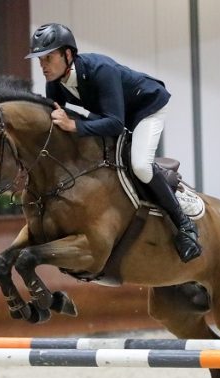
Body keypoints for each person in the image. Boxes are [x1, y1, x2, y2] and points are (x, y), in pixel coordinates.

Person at [25, 23, 202, 263]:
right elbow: (56, 126)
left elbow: (115, 124)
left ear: (68, 55)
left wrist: (75, 126)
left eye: (48, 58)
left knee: (140, 165)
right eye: (39, 60)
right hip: (111, 114)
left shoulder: (101, 70)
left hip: (146, 108)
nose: (43, 66)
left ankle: (185, 225)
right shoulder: (54, 83)